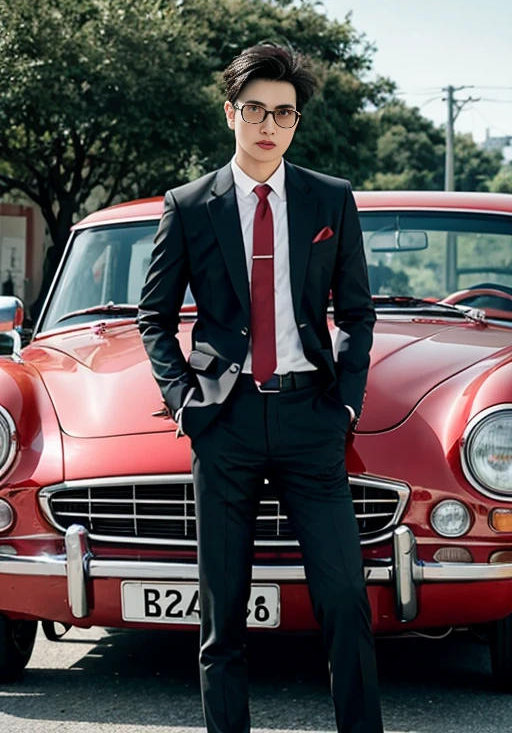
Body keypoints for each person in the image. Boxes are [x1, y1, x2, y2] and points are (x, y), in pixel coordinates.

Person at [138, 43, 382, 733]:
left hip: (312, 417)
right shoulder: (188, 206)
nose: (268, 124)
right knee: (224, 615)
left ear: (296, 122)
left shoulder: (330, 198)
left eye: (283, 112)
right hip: (226, 422)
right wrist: (187, 403)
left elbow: (358, 312)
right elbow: (152, 317)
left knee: (344, 599)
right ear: (230, 114)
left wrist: (345, 403)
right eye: (255, 110)